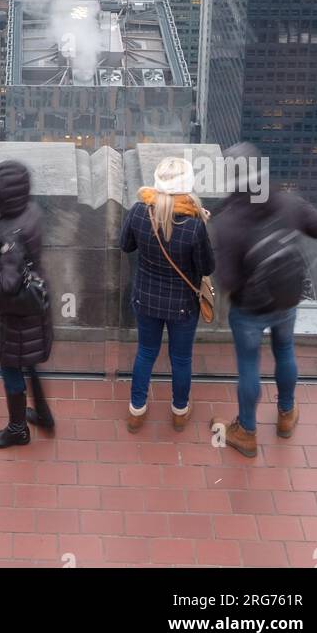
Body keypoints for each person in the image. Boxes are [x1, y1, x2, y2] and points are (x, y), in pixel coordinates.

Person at [210, 146, 317, 458]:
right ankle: (286, 414)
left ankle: (247, 432)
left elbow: (226, 281)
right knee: (285, 351)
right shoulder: (287, 202)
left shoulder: (227, 222)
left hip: (249, 309)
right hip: (287, 298)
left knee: (249, 366)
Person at [120, 156, 214, 432]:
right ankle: (179, 411)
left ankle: (136, 410)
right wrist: (204, 226)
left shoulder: (139, 211)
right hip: (182, 304)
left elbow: (126, 246)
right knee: (181, 358)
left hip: (145, 298)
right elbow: (207, 267)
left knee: (146, 352)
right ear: (187, 188)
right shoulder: (194, 224)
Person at [0, 159, 54, 447]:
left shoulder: (9, 232)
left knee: (11, 368)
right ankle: (42, 414)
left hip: (14, 317)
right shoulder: (30, 211)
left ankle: (17, 429)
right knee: (27, 361)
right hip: (33, 307)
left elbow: (8, 283)